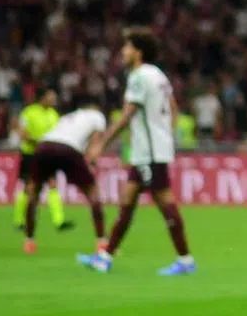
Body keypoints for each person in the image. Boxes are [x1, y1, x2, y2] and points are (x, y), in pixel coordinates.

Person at [77, 28, 195, 276]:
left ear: (138, 52)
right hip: (149, 150)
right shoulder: (159, 75)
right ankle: (105, 257)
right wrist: (167, 134)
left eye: (127, 47)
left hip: (150, 152)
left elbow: (126, 116)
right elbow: (173, 107)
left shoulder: (139, 76)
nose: (123, 51)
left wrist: (100, 144)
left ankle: (185, 259)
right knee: (127, 200)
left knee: (164, 201)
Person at [23, 97, 108, 254]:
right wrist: (92, 161)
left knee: (33, 193)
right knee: (92, 193)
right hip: (68, 148)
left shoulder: (68, 117)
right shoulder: (98, 116)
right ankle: (102, 242)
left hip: (44, 146)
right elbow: (97, 141)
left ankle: (29, 241)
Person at [13, 88, 73, 233]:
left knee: (52, 184)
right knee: (28, 188)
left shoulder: (54, 115)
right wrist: (40, 143)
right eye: (51, 97)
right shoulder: (29, 112)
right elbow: (22, 134)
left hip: (48, 156)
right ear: (43, 98)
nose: (54, 100)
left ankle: (59, 221)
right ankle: (19, 221)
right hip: (30, 155)